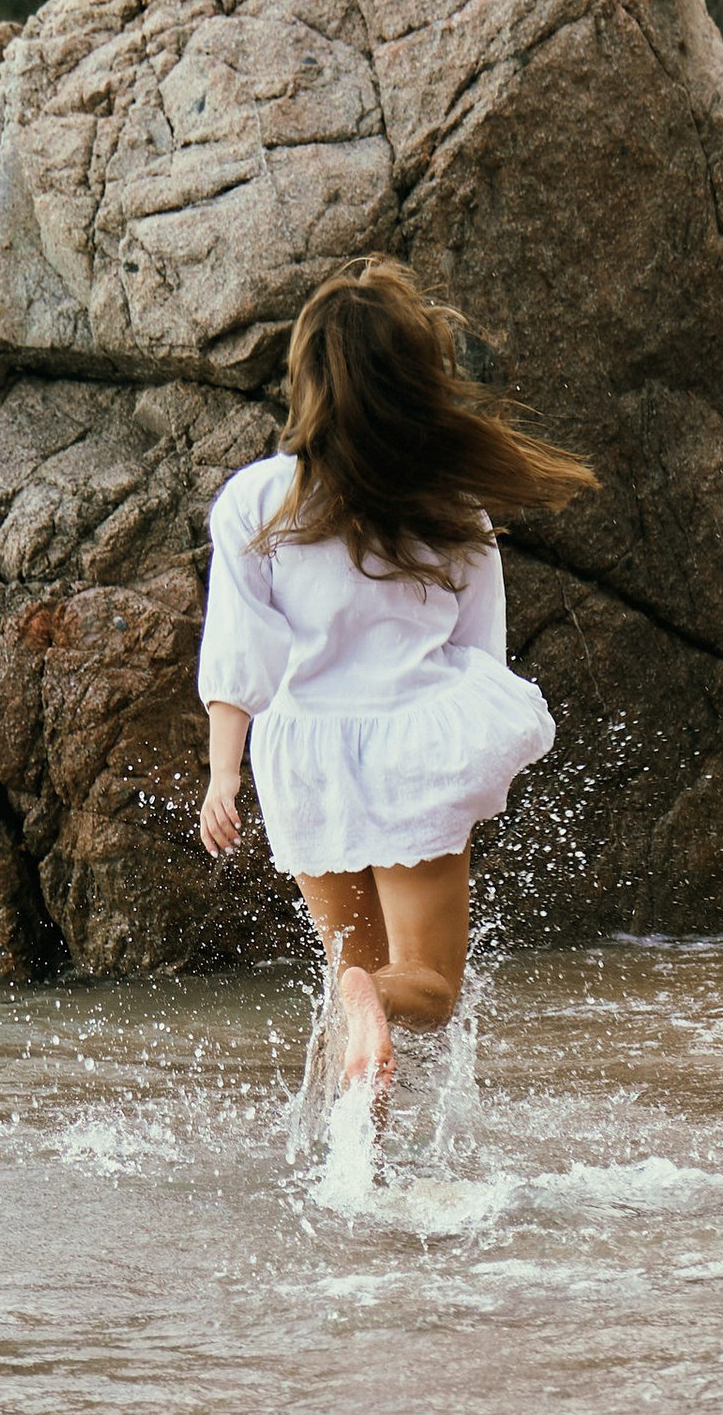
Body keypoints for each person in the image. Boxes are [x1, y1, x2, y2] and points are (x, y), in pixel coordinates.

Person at [197, 257, 595, 1105]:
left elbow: (239, 650)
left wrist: (223, 774)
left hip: (303, 752)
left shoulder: (257, 502)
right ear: (412, 382)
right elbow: (479, 659)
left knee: (351, 973)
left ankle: (343, 1160)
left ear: (306, 380)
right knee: (426, 988)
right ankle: (367, 1005)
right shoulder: (450, 508)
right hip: (416, 744)